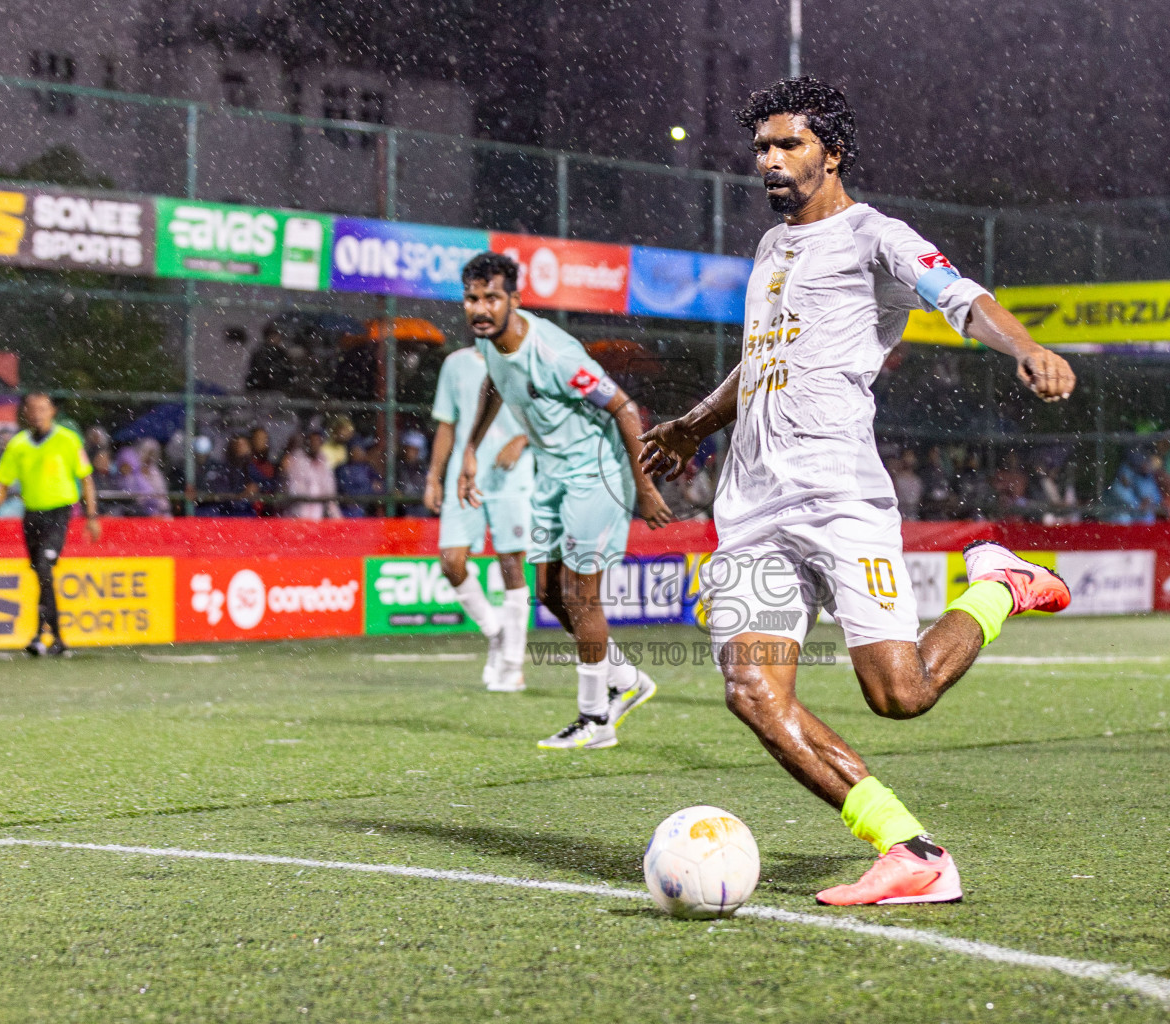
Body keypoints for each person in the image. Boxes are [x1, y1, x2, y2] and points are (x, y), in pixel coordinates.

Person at [640, 78, 1075, 906]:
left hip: (839, 496)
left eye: (788, 145)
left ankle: (1001, 587)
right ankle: (910, 849)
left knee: (899, 693)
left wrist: (1024, 347)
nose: (769, 161)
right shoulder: (771, 250)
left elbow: (964, 298)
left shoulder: (876, 237)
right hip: (750, 509)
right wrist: (697, 421)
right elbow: (762, 353)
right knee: (753, 694)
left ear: (831, 152)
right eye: (762, 148)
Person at [456, 251, 673, 748]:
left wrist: (643, 485)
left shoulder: (555, 355)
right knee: (551, 594)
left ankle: (595, 719)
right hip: (553, 475)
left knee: (581, 595)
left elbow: (623, 407)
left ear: (514, 299)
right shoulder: (490, 342)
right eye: (472, 299)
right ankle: (626, 681)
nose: (481, 308)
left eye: (492, 297)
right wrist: (471, 446)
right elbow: (495, 384)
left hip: (595, 474)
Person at [426, 341, 535, 691]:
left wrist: (522, 439)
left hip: (510, 475)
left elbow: (549, 415)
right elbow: (446, 424)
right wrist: (434, 476)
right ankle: (496, 630)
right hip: (464, 474)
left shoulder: (525, 360)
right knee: (451, 561)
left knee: (511, 566)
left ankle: (512, 666)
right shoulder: (455, 364)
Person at [0, 393, 101, 657]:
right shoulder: (18, 444)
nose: (37, 413)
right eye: (32, 409)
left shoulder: (68, 440)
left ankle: (56, 637)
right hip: (32, 515)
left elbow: (87, 479)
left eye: (42, 408)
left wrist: (91, 517)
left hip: (58, 514)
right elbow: (3, 484)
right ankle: (41, 636)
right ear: (26, 413)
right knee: (41, 574)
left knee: (44, 568)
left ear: (52, 411)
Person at [283, 429, 340, 520]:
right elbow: (293, 489)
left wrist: (338, 520)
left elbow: (330, 492)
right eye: (312, 441)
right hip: (297, 515)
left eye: (318, 441)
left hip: (318, 517)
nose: (315, 444)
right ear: (307, 442)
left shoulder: (324, 461)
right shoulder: (297, 459)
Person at [336, 440, 384, 517]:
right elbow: (349, 494)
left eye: (362, 450)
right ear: (351, 451)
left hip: (367, 509)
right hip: (349, 511)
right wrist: (370, 488)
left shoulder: (368, 468)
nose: (362, 452)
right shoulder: (342, 469)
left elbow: (381, 487)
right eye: (358, 450)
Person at [244, 326, 295, 394]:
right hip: (267, 387)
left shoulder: (279, 351)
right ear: (270, 337)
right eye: (277, 336)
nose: (279, 338)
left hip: (270, 386)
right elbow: (263, 369)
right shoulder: (264, 352)